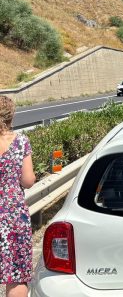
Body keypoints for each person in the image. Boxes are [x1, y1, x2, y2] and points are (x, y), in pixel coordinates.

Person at [0, 95, 36, 297]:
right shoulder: (21, 141)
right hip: (13, 215)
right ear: (11, 116)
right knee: (16, 274)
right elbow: (28, 181)